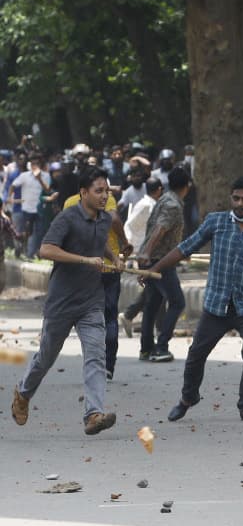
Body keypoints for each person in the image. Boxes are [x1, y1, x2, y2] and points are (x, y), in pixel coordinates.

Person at [157, 177, 243, 422]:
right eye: (236, 198)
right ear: (231, 198)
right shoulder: (215, 222)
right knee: (196, 354)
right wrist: (157, 267)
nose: (240, 204)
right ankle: (188, 398)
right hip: (217, 303)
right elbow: (186, 247)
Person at [10, 167, 121, 435]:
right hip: (61, 302)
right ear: (83, 193)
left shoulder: (104, 219)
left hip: (91, 300)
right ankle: (23, 392)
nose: (104, 195)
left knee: (96, 356)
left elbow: (98, 242)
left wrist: (113, 258)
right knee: (46, 357)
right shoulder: (67, 218)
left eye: (106, 190)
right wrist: (84, 260)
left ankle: (93, 414)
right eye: (98, 191)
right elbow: (46, 249)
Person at [62, 183, 132, 381]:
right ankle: (107, 365)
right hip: (107, 267)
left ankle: (93, 365)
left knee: (87, 318)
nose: (103, 193)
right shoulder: (106, 199)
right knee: (109, 315)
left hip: (82, 268)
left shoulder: (70, 203)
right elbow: (115, 218)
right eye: (100, 188)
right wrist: (124, 242)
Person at [137, 166, 191, 363]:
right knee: (177, 302)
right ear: (188, 186)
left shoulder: (166, 198)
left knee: (153, 303)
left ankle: (146, 348)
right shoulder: (173, 205)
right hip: (159, 260)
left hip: (156, 257)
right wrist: (147, 254)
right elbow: (160, 229)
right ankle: (161, 348)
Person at [119, 179, 164, 338]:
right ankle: (159, 329)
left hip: (150, 251)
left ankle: (130, 316)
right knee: (158, 288)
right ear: (159, 189)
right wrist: (131, 247)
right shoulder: (145, 205)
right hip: (145, 252)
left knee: (155, 288)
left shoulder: (152, 205)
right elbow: (129, 225)